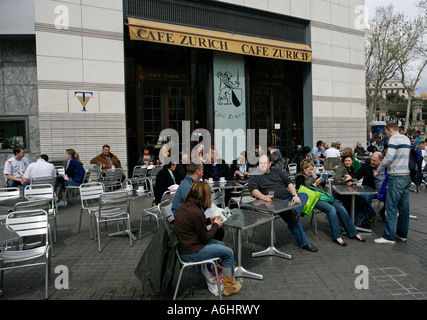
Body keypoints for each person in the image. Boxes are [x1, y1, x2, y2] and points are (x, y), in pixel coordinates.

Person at [174, 181, 241, 296]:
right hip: (191, 251)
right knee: (229, 253)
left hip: (186, 246)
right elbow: (206, 238)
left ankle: (222, 277)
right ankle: (229, 287)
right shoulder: (196, 212)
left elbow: (194, 223)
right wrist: (216, 225)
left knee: (223, 246)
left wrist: (209, 220)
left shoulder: (185, 206)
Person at [248, 154, 318, 252]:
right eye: (260, 163)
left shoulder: (276, 170)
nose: (262, 165)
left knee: (304, 195)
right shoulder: (255, 174)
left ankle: (293, 211)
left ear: (270, 164)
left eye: (265, 163)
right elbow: (253, 190)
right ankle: (305, 243)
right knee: (294, 220)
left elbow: (288, 182)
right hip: (274, 202)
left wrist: (294, 195)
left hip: (289, 199)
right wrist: (264, 197)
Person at [295, 159, 365, 246]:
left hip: (323, 196)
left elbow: (320, 187)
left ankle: (353, 232)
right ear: (304, 168)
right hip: (313, 199)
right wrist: (314, 184)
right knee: (331, 209)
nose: (312, 171)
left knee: (341, 208)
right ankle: (337, 236)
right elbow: (301, 192)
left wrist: (322, 181)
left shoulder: (313, 175)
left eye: (312, 168)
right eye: (310, 169)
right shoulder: (300, 177)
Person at [374, 123, 412, 245]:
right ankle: (402, 234)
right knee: (404, 207)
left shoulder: (393, 139)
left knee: (391, 207)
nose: (386, 135)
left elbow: (389, 157)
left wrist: (379, 170)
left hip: (396, 175)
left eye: (386, 132)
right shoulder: (406, 138)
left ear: (390, 129)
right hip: (406, 176)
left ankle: (389, 236)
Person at [354, 152, 386, 224]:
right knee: (364, 197)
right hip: (371, 190)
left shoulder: (387, 167)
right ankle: (371, 213)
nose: (372, 162)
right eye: (371, 160)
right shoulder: (366, 166)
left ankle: (383, 213)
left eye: (374, 161)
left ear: (381, 160)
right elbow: (358, 175)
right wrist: (350, 177)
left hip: (384, 191)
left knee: (393, 199)